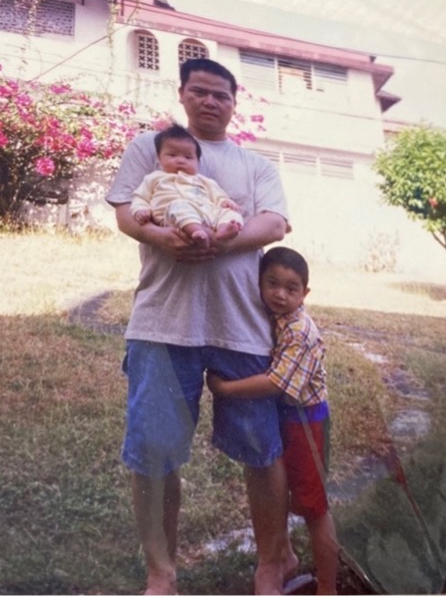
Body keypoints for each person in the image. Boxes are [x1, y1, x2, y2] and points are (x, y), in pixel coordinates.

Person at [105, 58, 293, 595]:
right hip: (163, 324)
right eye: (201, 92)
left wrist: (218, 243)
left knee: (263, 450)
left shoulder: (256, 166)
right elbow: (125, 211)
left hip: (242, 325)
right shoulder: (154, 147)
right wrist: (164, 238)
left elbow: (274, 222)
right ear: (183, 94)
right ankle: (160, 571)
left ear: (236, 103)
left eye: (222, 96)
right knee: (154, 455)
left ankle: (270, 564)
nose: (211, 103)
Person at [206, 247, 340, 595]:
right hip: (284, 414)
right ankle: (285, 557)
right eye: (272, 283)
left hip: (305, 422)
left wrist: (225, 388)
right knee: (278, 488)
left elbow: (277, 382)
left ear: (305, 294)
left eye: (291, 288)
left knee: (315, 509)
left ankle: (328, 589)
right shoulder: (273, 317)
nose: (280, 294)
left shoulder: (299, 331)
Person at [130, 124, 243, 248]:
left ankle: (224, 229)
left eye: (188, 157)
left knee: (230, 212)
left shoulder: (203, 180)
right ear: (159, 158)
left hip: (206, 213)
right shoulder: (155, 177)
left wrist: (225, 202)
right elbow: (140, 197)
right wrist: (140, 210)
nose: (181, 160)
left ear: (197, 162)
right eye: (172, 155)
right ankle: (196, 232)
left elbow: (218, 196)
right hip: (173, 217)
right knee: (179, 205)